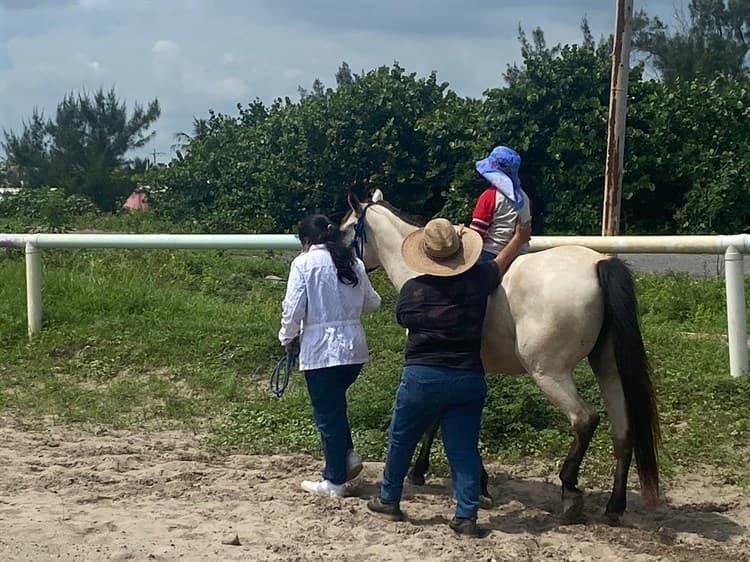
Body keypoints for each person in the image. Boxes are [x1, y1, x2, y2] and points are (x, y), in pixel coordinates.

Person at [366, 217, 531, 537]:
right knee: (464, 448)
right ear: (460, 253)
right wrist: (519, 237)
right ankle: (466, 515)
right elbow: (500, 264)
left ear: (425, 255)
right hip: (467, 376)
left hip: (422, 377)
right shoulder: (478, 281)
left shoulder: (413, 290)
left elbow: (403, 319)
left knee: (401, 438)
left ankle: (389, 498)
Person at [279, 214, 381, 498]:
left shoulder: (303, 263)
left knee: (327, 414)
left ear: (307, 241)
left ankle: (334, 481)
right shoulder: (354, 263)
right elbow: (373, 303)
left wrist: (287, 337)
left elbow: (293, 308)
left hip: (321, 351)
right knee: (335, 407)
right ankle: (347, 457)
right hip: (354, 349)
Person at [470, 145, 532, 266]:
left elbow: (476, 235)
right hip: (520, 253)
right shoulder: (525, 198)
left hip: (491, 253)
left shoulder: (489, 196)